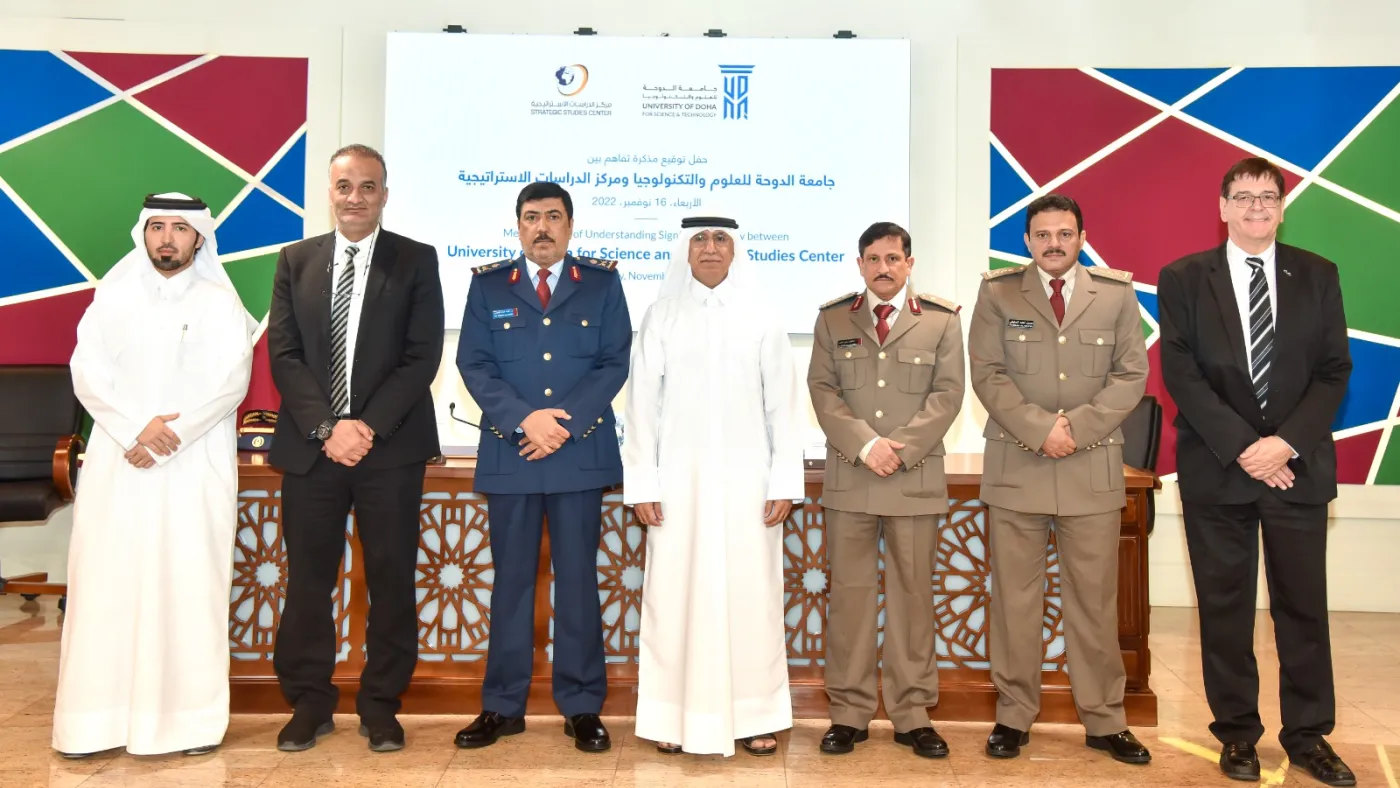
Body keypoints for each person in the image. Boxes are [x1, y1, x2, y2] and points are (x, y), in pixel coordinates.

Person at [1158, 157, 1354, 787]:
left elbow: (1334, 372)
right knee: (1225, 609)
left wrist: (1284, 445)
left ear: (1282, 206)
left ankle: (1308, 737)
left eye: (1268, 198)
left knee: (1303, 609)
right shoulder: (1184, 277)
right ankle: (1238, 734)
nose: (1256, 209)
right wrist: (1247, 447)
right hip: (1219, 469)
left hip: (1296, 469)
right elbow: (1181, 374)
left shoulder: (1319, 275)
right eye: (1243, 198)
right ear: (1222, 207)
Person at [54, 192, 254, 758]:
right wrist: (133, 429)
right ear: (143, 233)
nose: (167, 238)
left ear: (200, 238)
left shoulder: (221, 304)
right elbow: (85, 373)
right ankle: (93, 726)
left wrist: (170, 437)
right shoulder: (111, 298)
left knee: (187, 589)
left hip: (193, 470)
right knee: (108, 589)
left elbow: (230, 384)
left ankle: (187, 725)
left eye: (181, 229)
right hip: (120, 467)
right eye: (158, 227)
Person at [267, 144, 445, 753]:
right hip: (313, 452)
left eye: (368, 187)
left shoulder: (416, 260)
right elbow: (284, 358)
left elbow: (422, 357)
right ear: (330, 191)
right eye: (345, 186)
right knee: (308, 582)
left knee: (393, 581)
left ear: (385, 196)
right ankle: (309, 704)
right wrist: (329, 429)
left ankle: (380, 707)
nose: (355, 198)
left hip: (390, 451)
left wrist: (364, 426)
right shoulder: (295, 260)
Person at [967, 193, 1151, 765]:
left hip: (1089, 466)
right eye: (1042, 234)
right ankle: (1013, 717)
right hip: (1019, 465)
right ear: (1027, 240)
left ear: (1080, 237)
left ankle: (1104, 720)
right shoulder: (997, 293)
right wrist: (1039, 429)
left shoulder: (1116, 295)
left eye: (1064, 234)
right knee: (1017, 600)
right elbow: (987, 373)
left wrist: (1075, 429)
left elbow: (1130, 375)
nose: (1053, 243)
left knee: (1094, 602)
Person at [454, 181, 630, 754]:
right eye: (532, 218)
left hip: (577, 455)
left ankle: (582, 707)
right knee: (510, 585)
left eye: (554, 217)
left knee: (579, 582)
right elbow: (473, 364)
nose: (543, 227)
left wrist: (563, 423)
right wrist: (525, 421)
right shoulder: (487, 286)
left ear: (571, 226)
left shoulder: (600, 283)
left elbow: (613, 362)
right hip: (513, 453)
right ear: (518, 225)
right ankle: (502, 706)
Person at [622, 216, 805, 757]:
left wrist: (784, 482)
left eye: (719, 238)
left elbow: (783, 409)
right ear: (684, 249)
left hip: (749, 487)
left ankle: (754, 717)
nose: (709, 248)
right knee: (673, 598)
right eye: (699, 239)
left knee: (752, 598)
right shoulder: (661, 316)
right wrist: (643, 485)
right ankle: (672, 718)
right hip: (676, 486)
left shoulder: (762, 318)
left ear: (735, 250)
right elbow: (641, 410)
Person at [807, 221, 964, 758]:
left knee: (913, 599)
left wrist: (897, 448)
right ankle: (848, 713)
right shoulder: (834, 319)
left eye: (893, 258)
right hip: (852, 478)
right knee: (849, 600)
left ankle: (912, 714)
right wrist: (865, 444)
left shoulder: (940, 322)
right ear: (859, 265)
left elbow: (948, 394)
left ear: (909, 263)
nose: (883, 267)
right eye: (872, 258)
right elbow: (822, 391)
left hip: (913, 476)